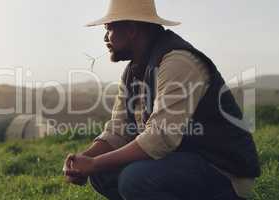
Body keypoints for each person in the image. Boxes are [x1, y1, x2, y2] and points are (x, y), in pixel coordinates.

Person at [64, 0, 260, 199]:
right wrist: (86, 160)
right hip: (179, 162)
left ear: (131, 29)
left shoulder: (178, 61)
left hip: (221, 171)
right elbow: (118, 129)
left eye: (109, 28)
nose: (106, 37)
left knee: (135, 179)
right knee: (102, 173)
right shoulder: (133, 71)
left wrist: (96, 163)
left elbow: (160, 138)